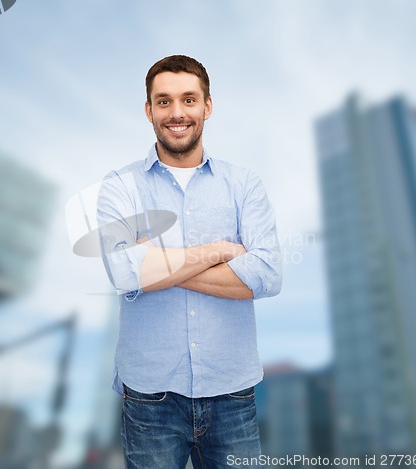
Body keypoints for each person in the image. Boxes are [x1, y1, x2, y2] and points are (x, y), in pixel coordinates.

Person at [97, 55, 282, 469]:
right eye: (163, 102)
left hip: (232, 394)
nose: (177, 113)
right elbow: (125, 273)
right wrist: (221, 251)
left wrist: (157, 266)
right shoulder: (120, 186)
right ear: (148, 110)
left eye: (188, 100)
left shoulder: (244, 185)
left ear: (207, 106)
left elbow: (267, 275)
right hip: (149, 398)